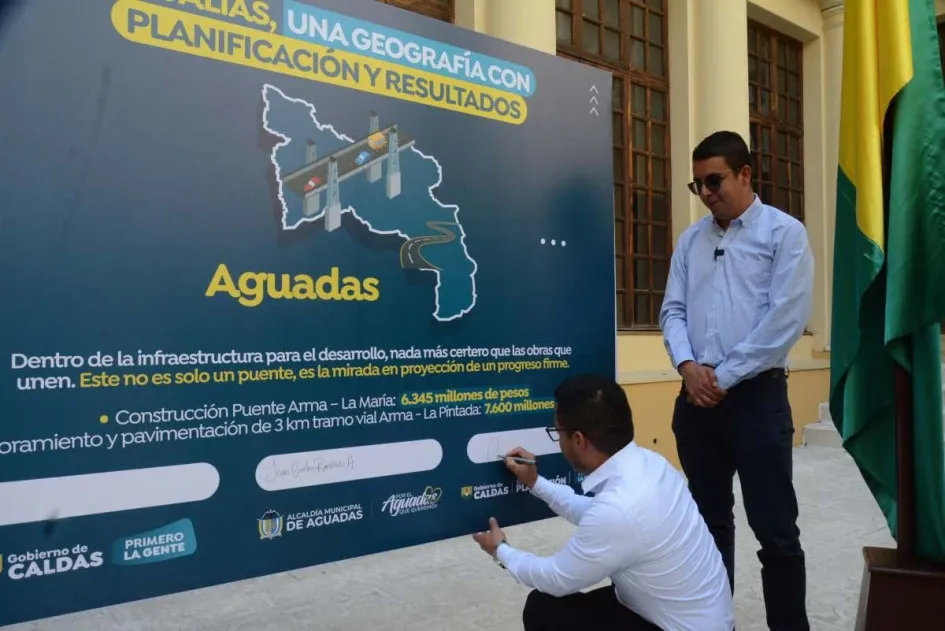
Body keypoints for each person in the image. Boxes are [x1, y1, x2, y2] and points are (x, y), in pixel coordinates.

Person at [658, 130, 814, 630]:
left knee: (776, 531)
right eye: (697, 185)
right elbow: (672, 310)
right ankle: (711, 622)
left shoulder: (784, 234)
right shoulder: (691, 240)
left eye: (714, 181)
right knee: (707, 527)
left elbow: (784, 321)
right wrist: (687, 366)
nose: (705, 193)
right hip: (696, 405)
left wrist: (720, 377)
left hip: (757, 401)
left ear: (745, 175)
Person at [471, 373, 735, 631]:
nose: (559, 440)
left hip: (673, 624)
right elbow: (593, 513)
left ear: (578, 440)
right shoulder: (651, 465)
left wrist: (500, 550)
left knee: (543, 610)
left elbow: (556, 578)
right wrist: (535, 483)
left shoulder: (620, 508)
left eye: (557, 431)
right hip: (692, 617)